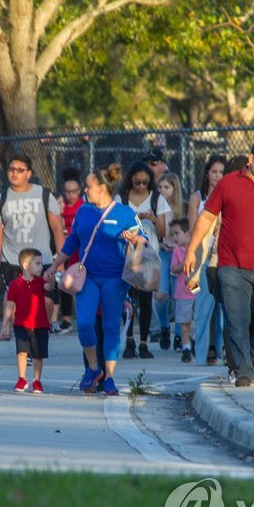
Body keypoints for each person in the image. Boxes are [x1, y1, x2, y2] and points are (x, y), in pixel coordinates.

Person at [183, 140, 254, 387]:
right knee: (236, 320)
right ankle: (244, 370)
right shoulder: (228, 183)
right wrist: (191, 249)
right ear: (251, 158)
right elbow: (206, 218)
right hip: (231, 266)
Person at [45, 164, 147, 396]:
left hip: (115, 279)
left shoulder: (124, 213)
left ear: (101, 188)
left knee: (111, 327)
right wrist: (53, 266)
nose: (85, 190)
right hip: (87, 277)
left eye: (89, 186)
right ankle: (93, 369)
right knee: (84, 324)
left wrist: (135, 239)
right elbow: (72, 242)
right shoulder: (83, 211)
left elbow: (145, 239)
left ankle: (109, 378)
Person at [0, 154, 64, 333]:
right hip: (13, 260)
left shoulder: (44, 195)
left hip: (42, 259)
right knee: (16, 304)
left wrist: (59, 263)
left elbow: (58, 230)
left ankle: (38, 331)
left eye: (20, 170)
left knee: (47, 302)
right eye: (11, 169)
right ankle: (22, 338)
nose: (14, 173)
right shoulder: (0, 200)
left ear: (29, 173)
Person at [118, 161, 168, 359]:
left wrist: (153, 219)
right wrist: (134, 217)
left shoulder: (157, 199)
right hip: (126, 254)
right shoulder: (121, 199)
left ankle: (144, 343)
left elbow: (163, 232)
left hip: (148, 254)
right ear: (130, 180)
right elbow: (116, 225)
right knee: (127, 300)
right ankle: (129, 340)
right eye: (137, 182)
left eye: (145, 182)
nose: (140, 186)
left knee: (146, 300)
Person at [187, 154, 227, 366]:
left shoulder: (229, 195)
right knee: (202, 307)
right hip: (201, 257)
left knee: (222, 310)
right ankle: (200, 354)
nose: (217, 176)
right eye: (214, 172)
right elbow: (194, 229)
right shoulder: (198, 197)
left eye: (221, 172)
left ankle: (218, 351)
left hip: (223, 256)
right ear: (207, 173)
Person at [3, 248, 52, 393]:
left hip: (40, 324)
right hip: (21, 324)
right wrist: (4, 325)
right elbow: (10, 305)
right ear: (25, 265)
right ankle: (22, 378)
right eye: (37, 263)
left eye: (41, 263)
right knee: (22, 352)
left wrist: (51, 280)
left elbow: (48, 287)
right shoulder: (15, 284)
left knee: (38, 355)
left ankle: (37, 381)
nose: (41, 267)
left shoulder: (40, 281)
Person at [157, 173, 186, 351]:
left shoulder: (182, 208)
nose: (162, 191)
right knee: (160, 295)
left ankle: (178, 335)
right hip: (163, 252)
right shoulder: (158, 206)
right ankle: (164, 327)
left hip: (179, 253)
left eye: (166, 188)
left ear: (174, 189)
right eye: (160, 188)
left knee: (180, 295)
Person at [57, 167, 85, 333]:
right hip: (65, 249)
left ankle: (84, 315)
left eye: (74, 191)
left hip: (80, 250)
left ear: (79, 191)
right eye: (67, 192)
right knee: (65, 283)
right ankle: (66, 318)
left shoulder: (84, 206)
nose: (70, 195)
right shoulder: (61, 207)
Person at [168, 218, 197, 362]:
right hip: (182, 289)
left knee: (197, 317)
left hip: (194, 286)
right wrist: (184, 262)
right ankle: (186, 346)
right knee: (184, 321)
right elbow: (174, 269)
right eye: (173, 234)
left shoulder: (197, 248)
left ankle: (196, 340)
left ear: (187, 234)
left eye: (177, 233)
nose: (174, 237)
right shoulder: (177, 251)